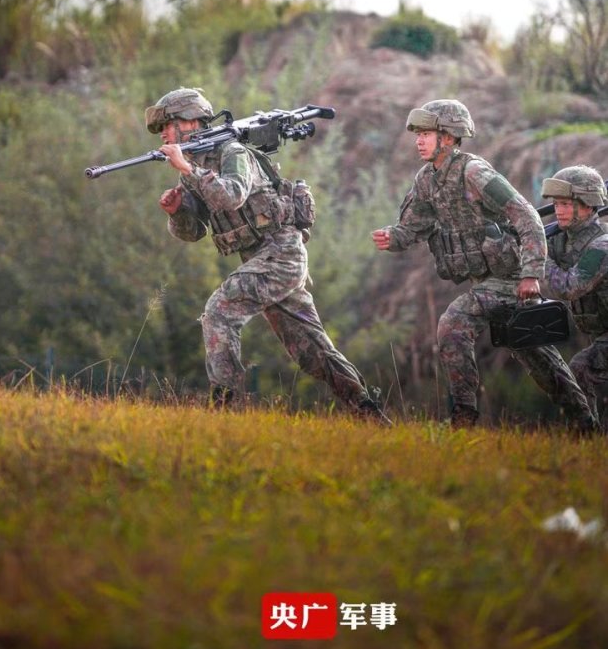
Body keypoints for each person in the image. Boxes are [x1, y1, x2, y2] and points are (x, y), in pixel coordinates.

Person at [146, 87, 390, 422]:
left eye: (168, 123)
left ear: (190, 122)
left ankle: (224, 410)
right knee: (312, 352)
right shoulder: (192, 167)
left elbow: (231, 196)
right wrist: (176, 211)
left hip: (282, 254)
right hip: (262, 260)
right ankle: (369, 413)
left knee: (219, 311)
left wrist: (190, 173)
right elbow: (194, 232)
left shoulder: (232, 153)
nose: (162, 132)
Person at [371, 99, 598, 432]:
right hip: (484, 281)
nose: (418, 140)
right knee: (538, 359)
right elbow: (413, 227)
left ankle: (464, 416)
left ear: (448, 137)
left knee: (453, 323)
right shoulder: (427, 180)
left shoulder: (474, 172)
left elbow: (527, 216)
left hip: (509, 280)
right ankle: (586, 426)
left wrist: (531, 273)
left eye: (426, 133)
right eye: (417, 134)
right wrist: (394, 237)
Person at [541, 166, 608, 427]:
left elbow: (570, 287)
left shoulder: (601, 246)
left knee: (581, 366)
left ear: (589, 206)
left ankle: (586, 436)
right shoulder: (563, 239)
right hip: (601, 334)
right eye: (557, 204)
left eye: (567, 204)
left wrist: (539, 259)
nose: (559, 210)